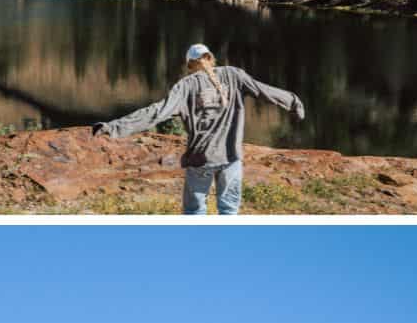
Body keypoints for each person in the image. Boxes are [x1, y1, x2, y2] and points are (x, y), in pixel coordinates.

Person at [93, 42, 305, 215]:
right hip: (231, 157)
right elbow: (265, 91)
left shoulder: (186, 86)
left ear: (190, 65)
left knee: (194, 213)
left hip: (200, 159)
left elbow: (156, 113)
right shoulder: (234, 75)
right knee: (229, 210)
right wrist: (294, 102)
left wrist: (114, 127)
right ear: (211, 58)